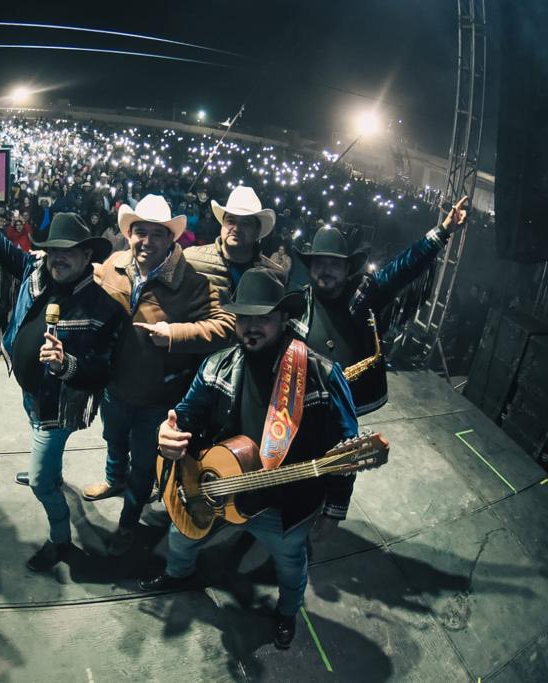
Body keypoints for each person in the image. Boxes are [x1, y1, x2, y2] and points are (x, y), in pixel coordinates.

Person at [146, 268, 358, 650]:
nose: (251, 327)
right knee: (181, 534)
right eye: (244, 317)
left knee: (290, 565)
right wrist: (168, 433)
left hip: (282, 505)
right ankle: (178, 573)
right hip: (218, 487)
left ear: (284, 318)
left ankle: (287, 613)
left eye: (263, 317)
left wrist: (334, 511)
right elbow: (185, 415)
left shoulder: (322, 375)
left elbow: (346, 449)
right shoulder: (217, 364)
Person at [0, 192, 126, 572]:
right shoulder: (36, 272)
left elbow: (103, 372)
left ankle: (59, 539)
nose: (58, 258)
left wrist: (66, 365)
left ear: (87, 256)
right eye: (52, 251)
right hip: (31, 394)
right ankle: (50, 472)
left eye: (68, 252)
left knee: (39, 485)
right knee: (43, 459)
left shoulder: (104, 308)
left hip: (59, 407)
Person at [79, 195, 235, 556]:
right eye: (140, 232)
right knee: (113, 438)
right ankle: (113, 479)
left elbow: (226, 326)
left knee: (144, 464)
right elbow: (93, 281)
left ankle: (128, 523)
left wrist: (176, 333)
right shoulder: (115, 265)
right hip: (115, 386)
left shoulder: (191, 282)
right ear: (129, 235)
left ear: (170, 239)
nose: (146, 241)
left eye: (156, 234)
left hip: (158, 397)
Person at [289, 196, 469, 418]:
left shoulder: (363, 292)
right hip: (306, 411)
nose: (326, 270)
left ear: (347, 269)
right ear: (310, 268)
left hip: (354, 409)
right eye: (320, 263)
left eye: (334, 264)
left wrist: (444, 230)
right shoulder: (296, 306)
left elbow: (404, 266)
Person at [184, 186, 285, 298]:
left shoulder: (274, 275)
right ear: (222, 224)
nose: (236, 228)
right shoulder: (191, 259)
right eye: (231, 221)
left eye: (245, 223)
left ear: (257, 231)